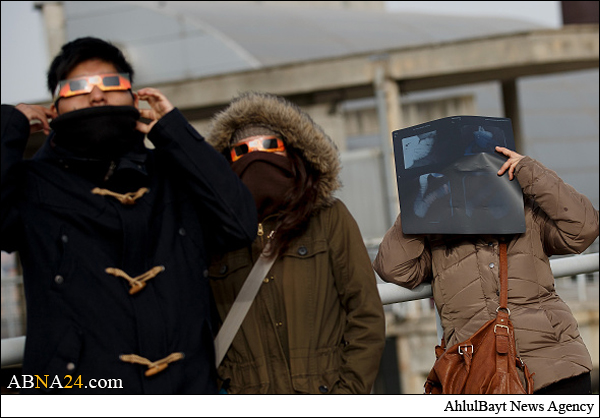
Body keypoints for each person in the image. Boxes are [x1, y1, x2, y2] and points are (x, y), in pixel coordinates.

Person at [0, 37, 257, 394]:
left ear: (135, 98)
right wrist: (8, 127)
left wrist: (174, 131)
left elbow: (240, 224)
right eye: (77, 87)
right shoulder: (33, 184)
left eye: (111, 82)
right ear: (54, 108)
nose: (96, 95)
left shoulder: (174, 173)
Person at [373, 145, 599, 394]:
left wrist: (528, 170)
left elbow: (584, 229)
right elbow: (393, 268)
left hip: (555, 365)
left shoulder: (527, 213)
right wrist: (417, 208)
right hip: (481, 376)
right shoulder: (435, 234)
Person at [205, 92, 386, 394]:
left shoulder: (328, 217)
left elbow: (365, 313)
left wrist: (348, 395)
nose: (256, 156)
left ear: (293, 153)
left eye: (269, 145)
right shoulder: (213, 234)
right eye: (242, 151)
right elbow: (196, 327)